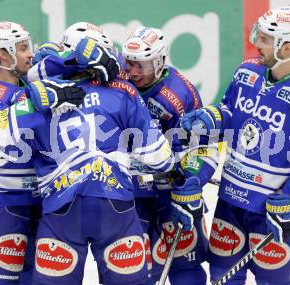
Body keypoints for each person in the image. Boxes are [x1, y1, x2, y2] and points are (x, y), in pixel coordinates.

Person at [181, 6, 290, 285]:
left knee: (272, 281)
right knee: (222, 278)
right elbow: (231, 113)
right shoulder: (246, 72)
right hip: (231, 202)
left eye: (265, 39)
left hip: (274, 212)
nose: (257, 43)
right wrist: (210, 118)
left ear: (288, 47)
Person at [0, 21, 104, 284]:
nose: (30, 53)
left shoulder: (33, 82)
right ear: (2, 55)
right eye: (21, 48)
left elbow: (57, 61)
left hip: (40, 201)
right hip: (0, 202)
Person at [0, 74, 175, 284]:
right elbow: (162, 160)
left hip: (61, 210)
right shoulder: (121, 90)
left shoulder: (39, 95)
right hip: (116, 207)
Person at [122, 26, 219, 285]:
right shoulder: (118, 83)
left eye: (140, 65)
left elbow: (203, 148)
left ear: (158, 61)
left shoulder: (181, 93)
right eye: (129, 63)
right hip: (131, 192)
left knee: (186, 263)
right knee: (133, 267)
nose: (132, 71)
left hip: (172, 192)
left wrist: (193, 182)